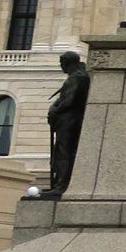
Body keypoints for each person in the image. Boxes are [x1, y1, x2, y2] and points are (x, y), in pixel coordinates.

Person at [45, 51, 90, 196]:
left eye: (61, 62)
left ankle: (62, 185)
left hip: (70, 121)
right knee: (61, 152)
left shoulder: (78, 78)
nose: (60, 66)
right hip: (66, 120)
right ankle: (60, 183)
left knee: (64, 153)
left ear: (67, 63)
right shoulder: (76, 77)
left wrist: (55, 110)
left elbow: (69, 100)